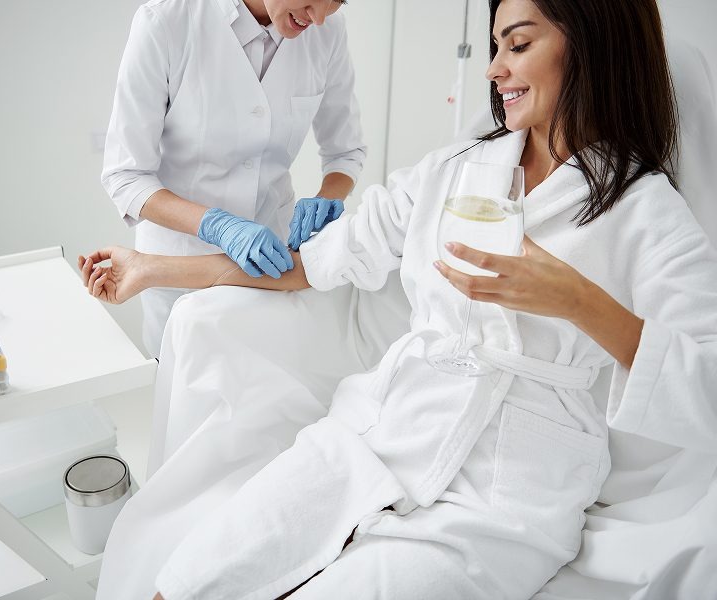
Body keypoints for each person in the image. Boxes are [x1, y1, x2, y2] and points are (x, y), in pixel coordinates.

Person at [81, 0, 717, 597]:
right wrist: (152, 267)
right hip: (378, 434)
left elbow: (707, 384)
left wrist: (580, 302)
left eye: (518, 45)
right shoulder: (455, 170)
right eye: (496, 46)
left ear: (592, 47)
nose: (494, 69)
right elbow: (311, 265)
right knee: (191, 576)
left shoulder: (647, 212)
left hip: (508, 493)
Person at [102, 0, 365, 356]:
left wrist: (327, 197)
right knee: (183, 380)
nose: (318, 18)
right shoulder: (165, 22)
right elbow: (126, 175)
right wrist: (217, 225)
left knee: (267, 376)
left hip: (270, 264)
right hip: (178, 267)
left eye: (336, 2)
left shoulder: (328, 33)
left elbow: (345, 152)